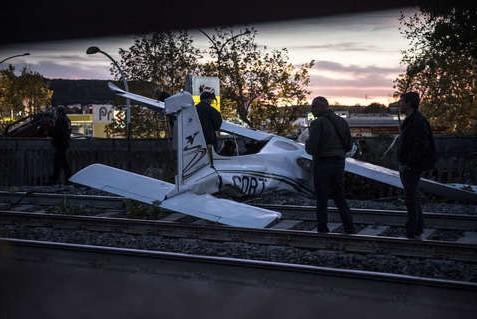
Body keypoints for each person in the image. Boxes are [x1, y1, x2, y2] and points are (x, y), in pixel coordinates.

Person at [305, 96, 355, 234]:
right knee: (340, 197)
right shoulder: (342, 121)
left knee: (322, 199)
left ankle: (322, 228)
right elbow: (349, 145)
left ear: (321, 107)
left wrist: (307, 144)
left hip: (322, 164)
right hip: (339, 163)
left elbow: (312, 148)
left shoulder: (317, 123)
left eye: (314, 106)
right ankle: (349, 227)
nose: (312, 109)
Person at [397, 92, 436, 239]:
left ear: (409, 103)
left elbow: (420, 145)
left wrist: (409, 163)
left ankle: (412, 230)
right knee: (412, 197)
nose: (399, 104)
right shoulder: (413, 119)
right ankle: (417, 228)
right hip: (410, 165)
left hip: (411, 166)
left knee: (410, 198)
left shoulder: (416, 121)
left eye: (401, 102)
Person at [50, 106, 72, 184]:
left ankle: (57, 178)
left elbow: (58, 132)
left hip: (60, 144)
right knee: (62, 162)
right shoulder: (67, 120)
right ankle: (63, 178)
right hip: (64, 143)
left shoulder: (60, 120)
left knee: (60, 162)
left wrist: (54, 138)